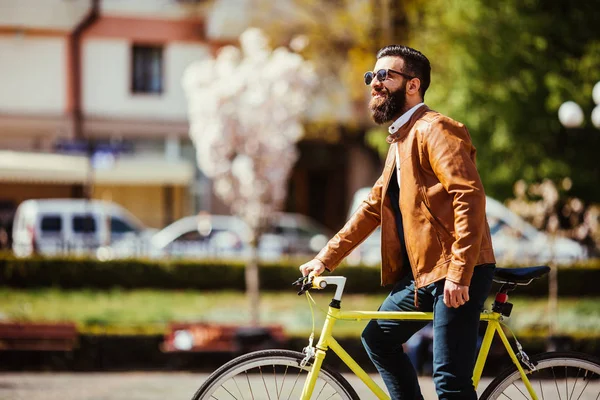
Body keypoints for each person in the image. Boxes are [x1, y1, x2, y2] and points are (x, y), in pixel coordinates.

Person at [299, 44, 496, 399]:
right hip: (423, 276)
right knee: (377, 338)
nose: (374, 83)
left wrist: (459, 272)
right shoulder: (399, 141)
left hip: (455, 270)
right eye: (371, 76)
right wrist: (323, 259)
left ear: (412, 85)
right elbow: (372, 208)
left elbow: (468, 196)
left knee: (450, 382)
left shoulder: (435, 129)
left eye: (385, 75)